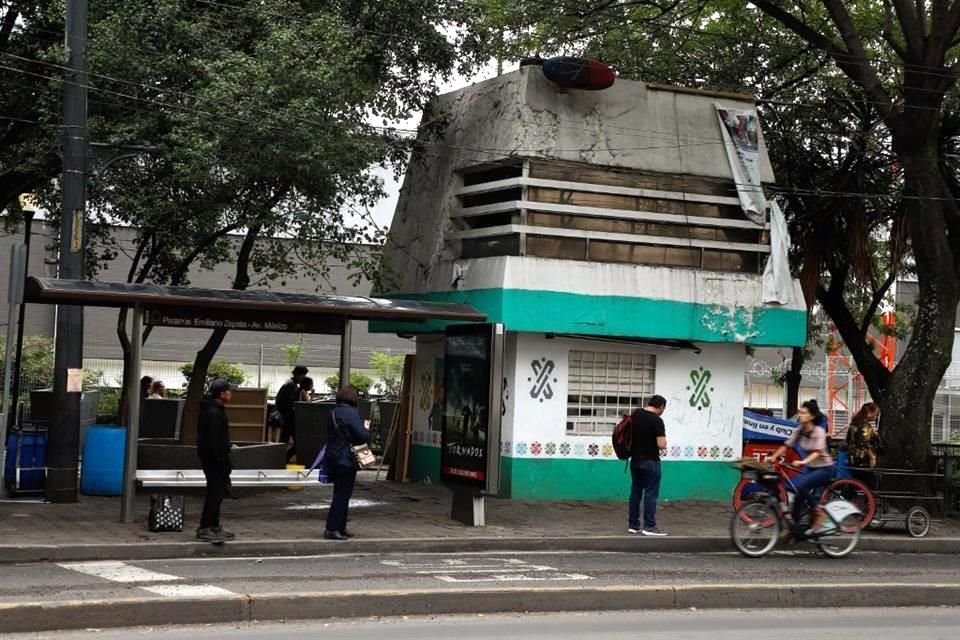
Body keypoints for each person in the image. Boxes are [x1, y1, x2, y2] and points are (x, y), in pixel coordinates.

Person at [769, 400, 835, 537]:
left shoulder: (819, 431)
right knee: (798, 495)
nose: (801, 414)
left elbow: (817, 451)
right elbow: (787, 445)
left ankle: (819, 513)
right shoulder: (800, 430)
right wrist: (773, 457)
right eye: (801, 411)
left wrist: (803, 461)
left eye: (804, 412)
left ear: (811, 416)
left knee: (800, 486)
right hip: (810, 468)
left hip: (825, 469)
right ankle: (794, 529)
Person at [324, 385, 370, 540]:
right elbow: (362, 436)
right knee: (343, 495)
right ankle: (333, 528)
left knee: (339, 493)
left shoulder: (332, 413)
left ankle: (340, 527)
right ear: (353, 398)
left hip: (332, 456)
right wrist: (366, 427)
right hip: (346, 458)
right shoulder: (352, 414)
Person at [196, 379, 236, 543]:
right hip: (214, 460)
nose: (231, 394)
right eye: (228, 391)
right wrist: (221, 458)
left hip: (214, 458)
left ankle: (214, 525)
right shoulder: (214, 412)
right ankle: (206, 527)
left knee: (217, 493)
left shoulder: (213, 409)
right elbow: (214, 440)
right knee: (215, 493)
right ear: (222, 394)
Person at [627, 395, 669, 537]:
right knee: (651, 493)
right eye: (664, 408)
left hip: (635, 461)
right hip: (651, 461)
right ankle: (649, 526)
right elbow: (661, 444)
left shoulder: (635, 415)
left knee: (636, 492)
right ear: (661, 406)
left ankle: (633, 525)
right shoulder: (657, 420)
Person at [276, 365, 309, 462]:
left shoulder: (291, 385)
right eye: (302, 375)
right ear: (298, 375)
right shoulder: (290, 386)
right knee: (297, 442)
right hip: (289, 417)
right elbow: (288, 403)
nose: (303, 378)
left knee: (284, 440)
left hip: (288, 417)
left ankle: (281, 459)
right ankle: (283, 458)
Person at [847, 402, 881, 469]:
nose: (876, 416)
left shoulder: (854, 423)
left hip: (853, 456)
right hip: (863, 459)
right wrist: (872, 458)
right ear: (870, 413)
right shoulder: (865, 425)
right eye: (876, 414)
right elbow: (864, 443)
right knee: (867, 478)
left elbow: (848, 439)